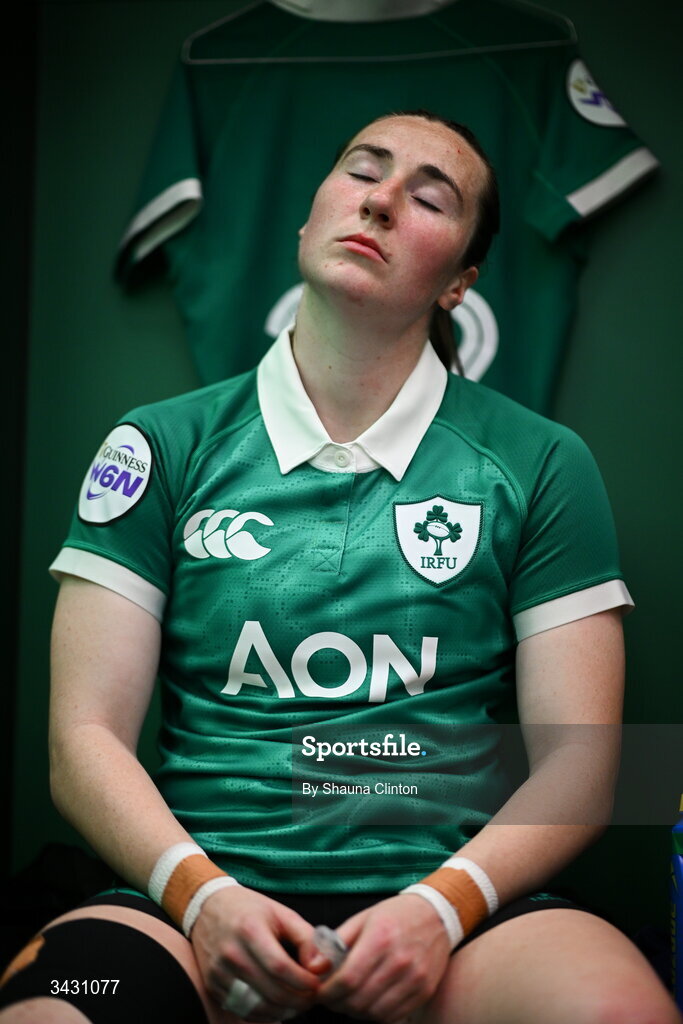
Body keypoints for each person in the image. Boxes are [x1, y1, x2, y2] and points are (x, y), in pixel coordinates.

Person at [1, 110, 680, 1024]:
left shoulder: (543, 460)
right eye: (363, 171)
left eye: (429, 196)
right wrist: (204, 901)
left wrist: (437, 912)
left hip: (460, 913)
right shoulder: (156, 445)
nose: (384, 201)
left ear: (460, 284)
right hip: (189, 905)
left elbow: (587, 764)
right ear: (307, 219)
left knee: (617, 1013)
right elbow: (81, 744)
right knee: (56, 1010)